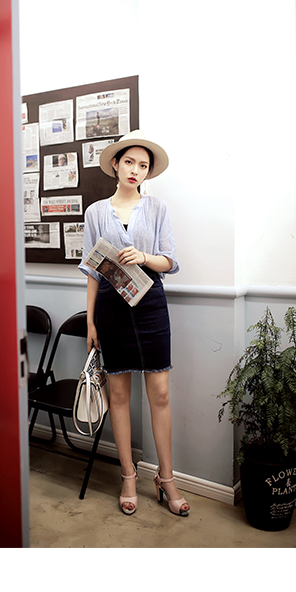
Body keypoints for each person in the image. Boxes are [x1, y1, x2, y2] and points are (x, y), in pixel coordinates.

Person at [81, 131, 189, 520]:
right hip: (111, 306)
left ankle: (166, 478)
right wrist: (91, 321)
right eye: (130, 162)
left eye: (143, 166)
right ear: (116, 164)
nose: (136, 170)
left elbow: (170, 261)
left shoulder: (157, 208)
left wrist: (144, 256)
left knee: (160, 393)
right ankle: (128, 476)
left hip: (150, 303)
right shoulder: (96, 213)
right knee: (119, 394)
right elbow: (92, 272)